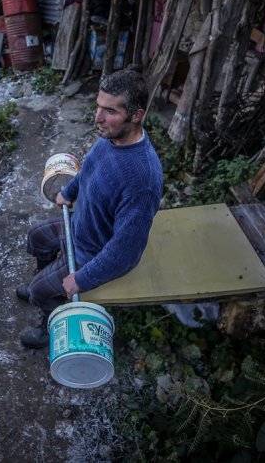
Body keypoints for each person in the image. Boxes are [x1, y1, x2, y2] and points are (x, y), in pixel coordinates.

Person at [16, 69, 163, 348]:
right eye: (98, 107)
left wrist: (82, 279)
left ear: (136, 115)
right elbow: (89, 170)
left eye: (109, 111)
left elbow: (125, 252)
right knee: (36, 235)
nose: (97, 118)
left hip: (93, 252)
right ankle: (45, 282)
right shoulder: (110, 138)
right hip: (80, 224)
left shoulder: (142, 180)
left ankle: (49, 315)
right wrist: (68, 192)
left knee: (38, 291)